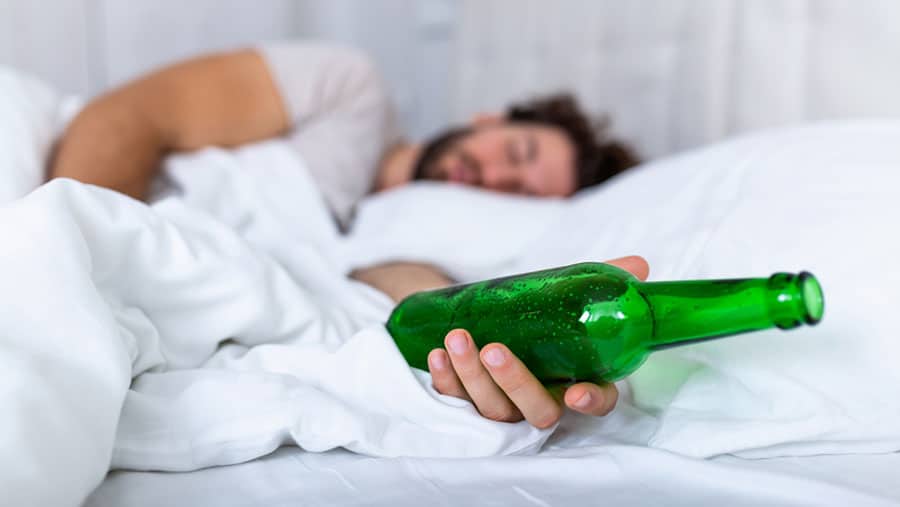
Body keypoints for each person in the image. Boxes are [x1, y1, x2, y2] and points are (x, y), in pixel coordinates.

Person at [47, 42, 644, 430]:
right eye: (517, 151)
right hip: (75, 216)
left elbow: (380, 287)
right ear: (489, 118)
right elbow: (130, 116)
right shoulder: (351, 94)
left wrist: (476, 343)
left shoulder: (415, 240)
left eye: (519, 193)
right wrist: (74, 258)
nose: (496, 176)